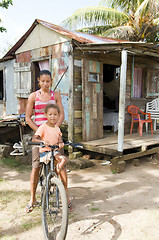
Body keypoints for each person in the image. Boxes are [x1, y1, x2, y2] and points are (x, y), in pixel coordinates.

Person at [25, 70, 71, 212]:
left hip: (54, 133)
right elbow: (28, 118)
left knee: (60, 165)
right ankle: (32, 198)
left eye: (48, 81)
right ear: (38, 81)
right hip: (39, 135)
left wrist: (53, 129)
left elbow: (62, 113)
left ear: (51, 81)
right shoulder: (33, 96)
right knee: (36, 166)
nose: (45, 83)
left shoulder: (55, 95)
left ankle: (66, 196)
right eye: (43, 81)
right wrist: (41, 130)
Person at [32, 104, 71, 208]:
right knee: (62, 160)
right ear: (45, 115)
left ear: (58, 116)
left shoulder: (57, 128)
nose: (52, 117)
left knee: (63, 160)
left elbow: (59, 139)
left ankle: (60, 177)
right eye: (50, 114)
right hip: (45, 152)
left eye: (55, 114)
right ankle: (58, 170)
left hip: (54, 152)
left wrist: (61, 142)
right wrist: (42, 141)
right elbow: (34, 139)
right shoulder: (43, 127)